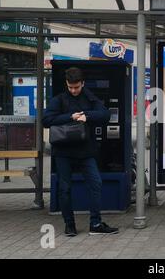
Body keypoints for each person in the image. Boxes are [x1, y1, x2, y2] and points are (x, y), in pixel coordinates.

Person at [43, 67, 119, 236]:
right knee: (65, 188)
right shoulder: (59, 100)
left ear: (82, 83)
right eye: (70, 87)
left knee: (96, 184)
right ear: (67, 84)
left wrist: (87, 116)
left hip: (85, 152)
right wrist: (71, 117)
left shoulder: (89, 97)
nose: (74, 90)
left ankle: (96, 223)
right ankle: (69, 225)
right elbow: (46, 120)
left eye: (76, 87)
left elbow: (105, 115)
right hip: (63, 152)